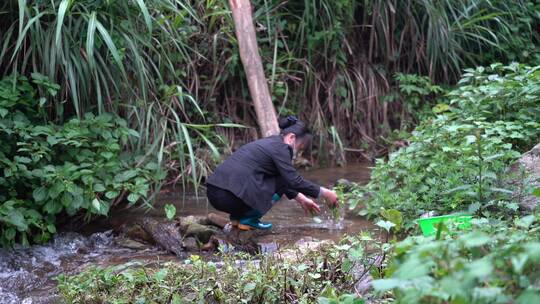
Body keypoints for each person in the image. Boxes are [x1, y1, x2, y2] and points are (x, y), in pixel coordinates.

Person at [206, 115, 339, 230]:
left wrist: (301, 198)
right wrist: (325, 193)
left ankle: (237, 219)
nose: (298, 152)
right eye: (300, 148)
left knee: (276, 178)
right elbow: (292, 180)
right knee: (282, 179)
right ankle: (249, 219)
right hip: (230, 198)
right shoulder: (282, 148)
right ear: (292, 138)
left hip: (214, 193)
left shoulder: (270, 143)